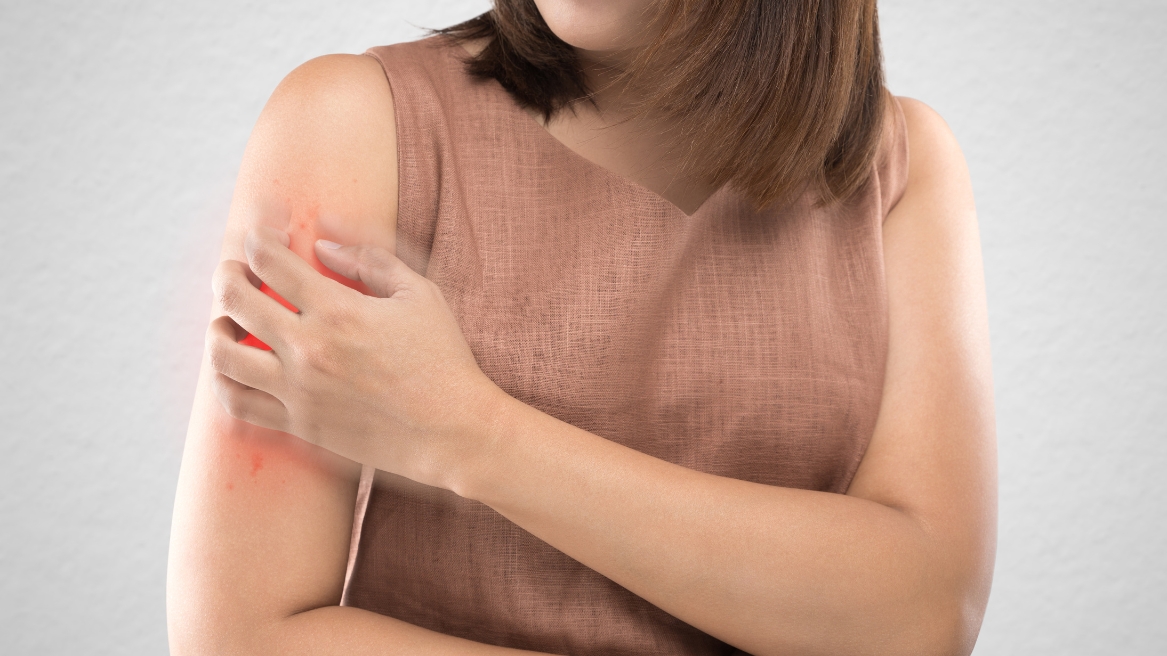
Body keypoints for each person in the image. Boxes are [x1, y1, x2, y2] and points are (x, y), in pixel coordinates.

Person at [167, 0, 997, 654]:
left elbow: (922, 616)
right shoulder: (352, 118)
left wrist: (468, 435)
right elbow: (242, 637)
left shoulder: (901, 164)